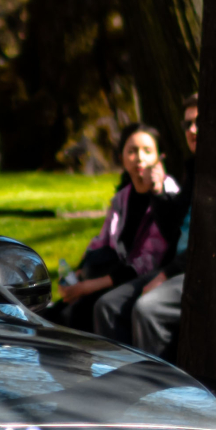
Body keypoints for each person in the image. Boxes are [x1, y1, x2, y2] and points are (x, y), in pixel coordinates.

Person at [54, 122, 175, 337]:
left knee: (80, 313)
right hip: (114, 273)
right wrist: (79, 273)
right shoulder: (124, 196)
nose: (139, 158)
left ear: (160, 158)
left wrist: (88, 286)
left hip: (142, 278)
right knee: (53, 314)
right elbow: (102, 240)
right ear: (121, 158)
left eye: (147, 151)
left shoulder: (168, 195)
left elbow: (148, 261)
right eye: (132, 151)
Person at [130, 96, 199, 357]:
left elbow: (202, 244)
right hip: (177, 266)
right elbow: (174, 230)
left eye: (199, 122)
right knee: (107, 305)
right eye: (188, 124)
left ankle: (157, 392)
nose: (192, 130)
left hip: (195, 270)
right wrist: (156, 191)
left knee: (145, 309)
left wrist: (165, 274)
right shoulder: (193, 168)